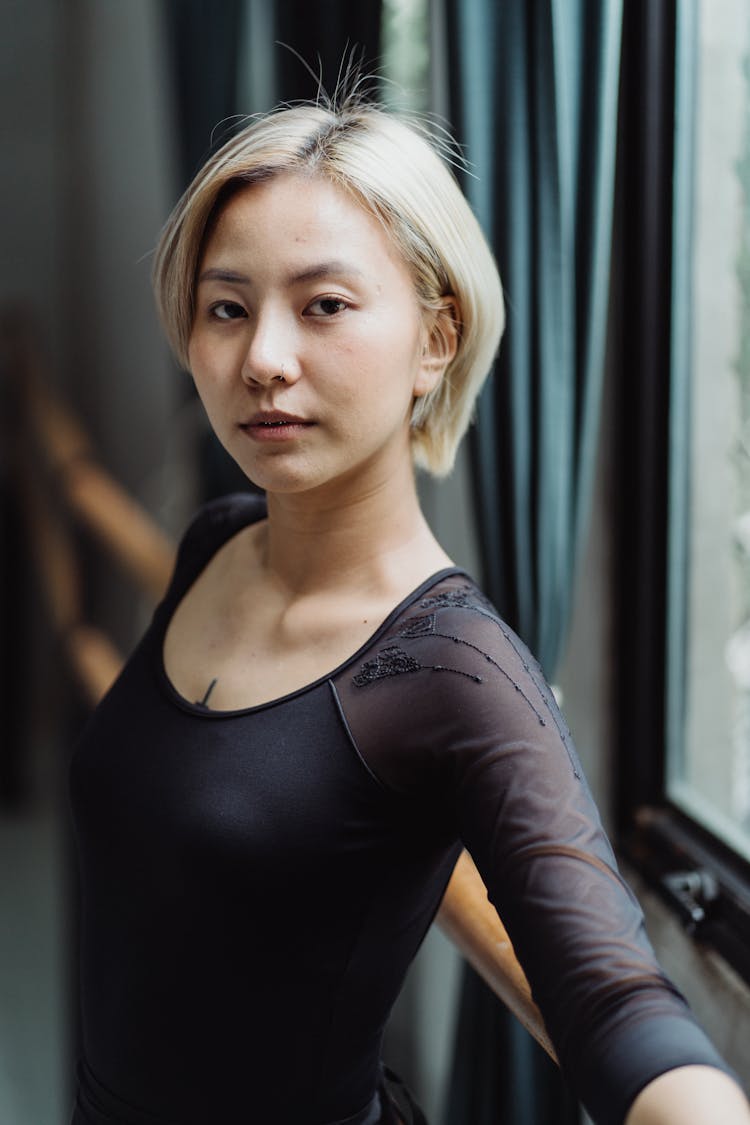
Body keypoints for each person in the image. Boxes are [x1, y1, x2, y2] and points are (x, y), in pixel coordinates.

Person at [68, 94, 750, 1125]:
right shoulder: (219, 539)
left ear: (437, 338)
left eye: (326, 305)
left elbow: (616, 1003)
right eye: (227, 307)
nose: (263, 358)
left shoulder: (456, 670)